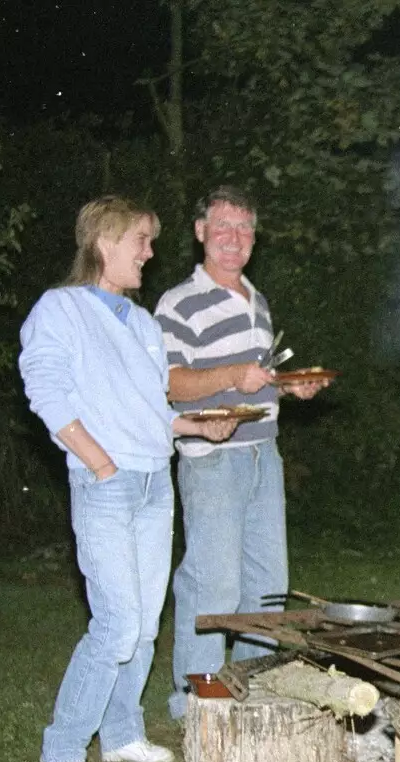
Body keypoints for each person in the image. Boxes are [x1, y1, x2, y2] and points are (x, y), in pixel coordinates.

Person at [19, 196, 237, 762]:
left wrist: (198, 424)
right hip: (108, 486)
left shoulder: (141, 323)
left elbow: (152, 411)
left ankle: (121, 735)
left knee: (143, 625)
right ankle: (61, 750)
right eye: (141, 240)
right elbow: (47, 394)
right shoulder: (59, 310)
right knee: (115, 624)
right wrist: (100, 463)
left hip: (153, 483)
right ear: (105, 242)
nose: (149, 252)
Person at [155, 185, 330, 720]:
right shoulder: (178, 303)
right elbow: (168, 383)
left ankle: (250, 685)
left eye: (245, 228)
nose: (234, 238)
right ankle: (196, 701)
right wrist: (233, 374)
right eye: (223, 227)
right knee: (214, 583)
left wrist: (286, 388)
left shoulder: (256, 299)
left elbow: (254, 385)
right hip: (212, 459)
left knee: (269, 585)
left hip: (262, 454)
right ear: (201, 232)